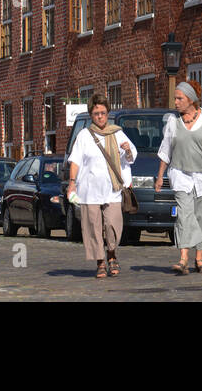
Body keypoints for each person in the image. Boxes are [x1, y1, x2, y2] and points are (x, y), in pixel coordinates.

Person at [154, 81, 202, 274]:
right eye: (175, 98)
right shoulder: (173, 123)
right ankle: (183, 259)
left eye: (180, 98)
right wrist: (159, 176)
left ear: (191, 99)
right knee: (184, 216)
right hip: (181, 175)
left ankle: (199, 259)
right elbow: (166, 151)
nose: (176, 102)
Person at [65, 95, 136, 279]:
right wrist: (72, 184)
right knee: (93, 228)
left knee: (113, 225)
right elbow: (75, 162)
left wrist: (127, 149)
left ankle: (112, 254)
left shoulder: (117, 133)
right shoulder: (84, 136)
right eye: (96, 113)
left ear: (108, 113)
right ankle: (101, 262)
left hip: (112, 191)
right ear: (91, 115)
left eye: (103, 113)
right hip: (89, 191)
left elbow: (130, 158)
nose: (100, 117)